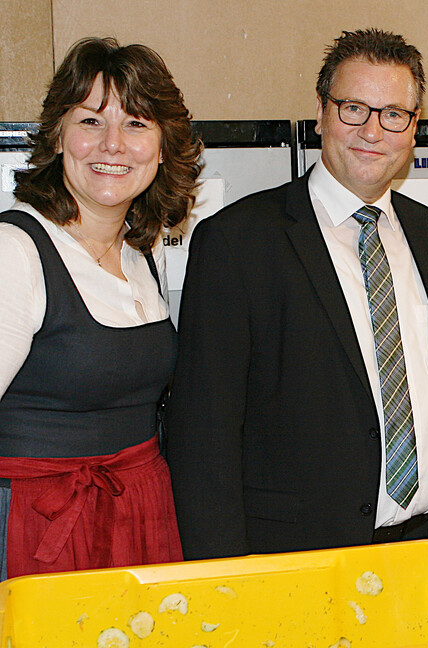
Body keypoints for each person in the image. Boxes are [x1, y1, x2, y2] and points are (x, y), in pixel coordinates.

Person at [165, 28, 428, 559]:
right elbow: (203, 437)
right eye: (354, 107)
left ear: (413, 128)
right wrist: (224, 581)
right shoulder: (238, 242)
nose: (372, 131)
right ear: (321, 112)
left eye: (393, 114)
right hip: (297, 558)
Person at [0, 37, 201, 578]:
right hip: (38, 526)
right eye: (90, 121)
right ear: (58, 137)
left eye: (136, 123)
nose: (112, 144)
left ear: (162, 147)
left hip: (140, 515)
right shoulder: (16, 252)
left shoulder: (140, 254)